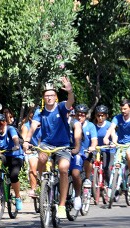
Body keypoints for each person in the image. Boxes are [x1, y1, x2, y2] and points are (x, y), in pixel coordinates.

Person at [22, 76, 76, 219]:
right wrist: (27, 140)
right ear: (43, 98)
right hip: (46, 144)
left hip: (63, 145)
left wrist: (70, 91)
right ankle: (42, 181)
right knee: (41, 157)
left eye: (52, 95)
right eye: (47, 95)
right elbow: (33, 126)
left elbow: (70, 101)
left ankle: (62, 206)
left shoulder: (61, 108)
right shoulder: (40, 112)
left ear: (56, 97)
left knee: (64, 169)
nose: (49, 98)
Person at [104, 98, 130, 186]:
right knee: (116, 163)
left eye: (125, 109)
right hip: (121, 145)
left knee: (129, 154)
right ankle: (115, 185)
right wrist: (106, 138)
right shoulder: (117, 118)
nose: (123, 111)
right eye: (121, 109)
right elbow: (111, 128)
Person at [0, 113, 25, 211]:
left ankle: (18, 197)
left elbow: (15, 138)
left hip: (16, 156)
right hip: (4, 155)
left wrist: (17, 145)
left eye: (0, 125)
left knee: (14, 175)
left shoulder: (10, 129)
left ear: (4, 123)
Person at [75, 104, 98, 195]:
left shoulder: (91, 126)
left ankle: (88, 178)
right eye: (78, 115)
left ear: (86, 116)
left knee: (88, 159)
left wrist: (92, 147)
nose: (80, 117)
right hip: (74, 151)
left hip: (86, 151)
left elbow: (94, 140)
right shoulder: (72, 124)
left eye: (82, 115)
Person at [20, 106, 42, 197]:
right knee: (33, 166)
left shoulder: (47, 125)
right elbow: (24, 141)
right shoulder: (26, 126)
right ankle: (33, 189)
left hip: (46, 149)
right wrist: (27, 147)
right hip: (33, 151)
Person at [92, 104, 114, 184]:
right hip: (97, 149)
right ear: (95, 116)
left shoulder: (109, 125)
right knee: (90, 163)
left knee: (107, 168)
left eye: (102, 115)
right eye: (98, 115)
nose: (100, 117)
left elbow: (114, 136)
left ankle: (109, 185)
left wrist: (112, 143)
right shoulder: (93, 126)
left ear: (106, 116)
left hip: (108, 149)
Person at [66, 108, 83, 209]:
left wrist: (76, 149)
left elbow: (77, 139)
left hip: (74, 151)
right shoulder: (56, 123)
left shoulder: (75, 123)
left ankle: (77, 196)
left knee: (75, 173)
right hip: (61, 150)